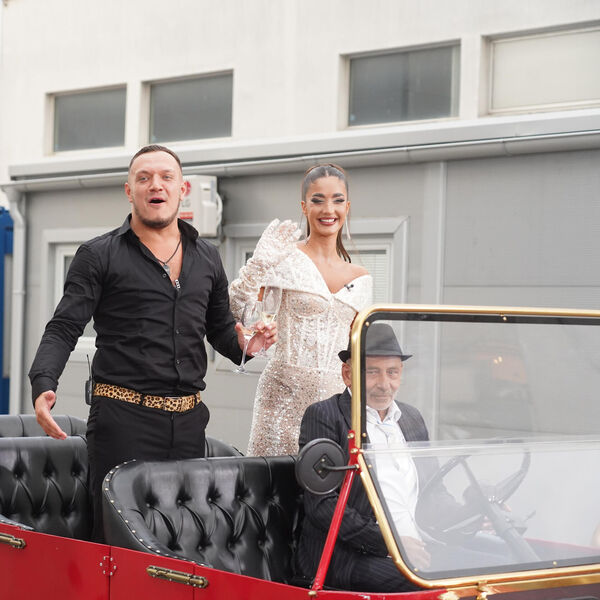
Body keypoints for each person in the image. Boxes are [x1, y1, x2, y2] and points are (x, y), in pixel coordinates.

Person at [28, 144, 276, 542]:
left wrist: (249, 345)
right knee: (118, 545)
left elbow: (220, 330)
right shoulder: (98, 255)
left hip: (190, 424)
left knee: (184, 542)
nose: (155, 185)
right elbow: (63, 327)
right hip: (122, 423)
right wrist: (43, 383)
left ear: (183, 189)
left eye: (165, 177)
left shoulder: (207, 257)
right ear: (130, 191)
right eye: (143, 178)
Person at [295, 322, 456, 592]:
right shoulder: (325, 415)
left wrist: (474, 508)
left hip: (420, 548)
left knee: (498, 568)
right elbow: (323, 506)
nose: (384, 384)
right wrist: (392, 544)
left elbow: (434, 492)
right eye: (372, 372)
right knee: (432, 585)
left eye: (392, 372)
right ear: (348, 374)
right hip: (351, 557)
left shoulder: (412, 418)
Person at [229, 164, 372, 456]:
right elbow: (237, 309)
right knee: (272, 482)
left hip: (335, 407)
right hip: (281, 402)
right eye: (318, 200)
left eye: (337, 200)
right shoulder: (284, 257)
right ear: (304, 207)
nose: (328, 209)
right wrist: (259, 265)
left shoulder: (362, 279)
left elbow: (359, 353)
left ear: (347, 207)